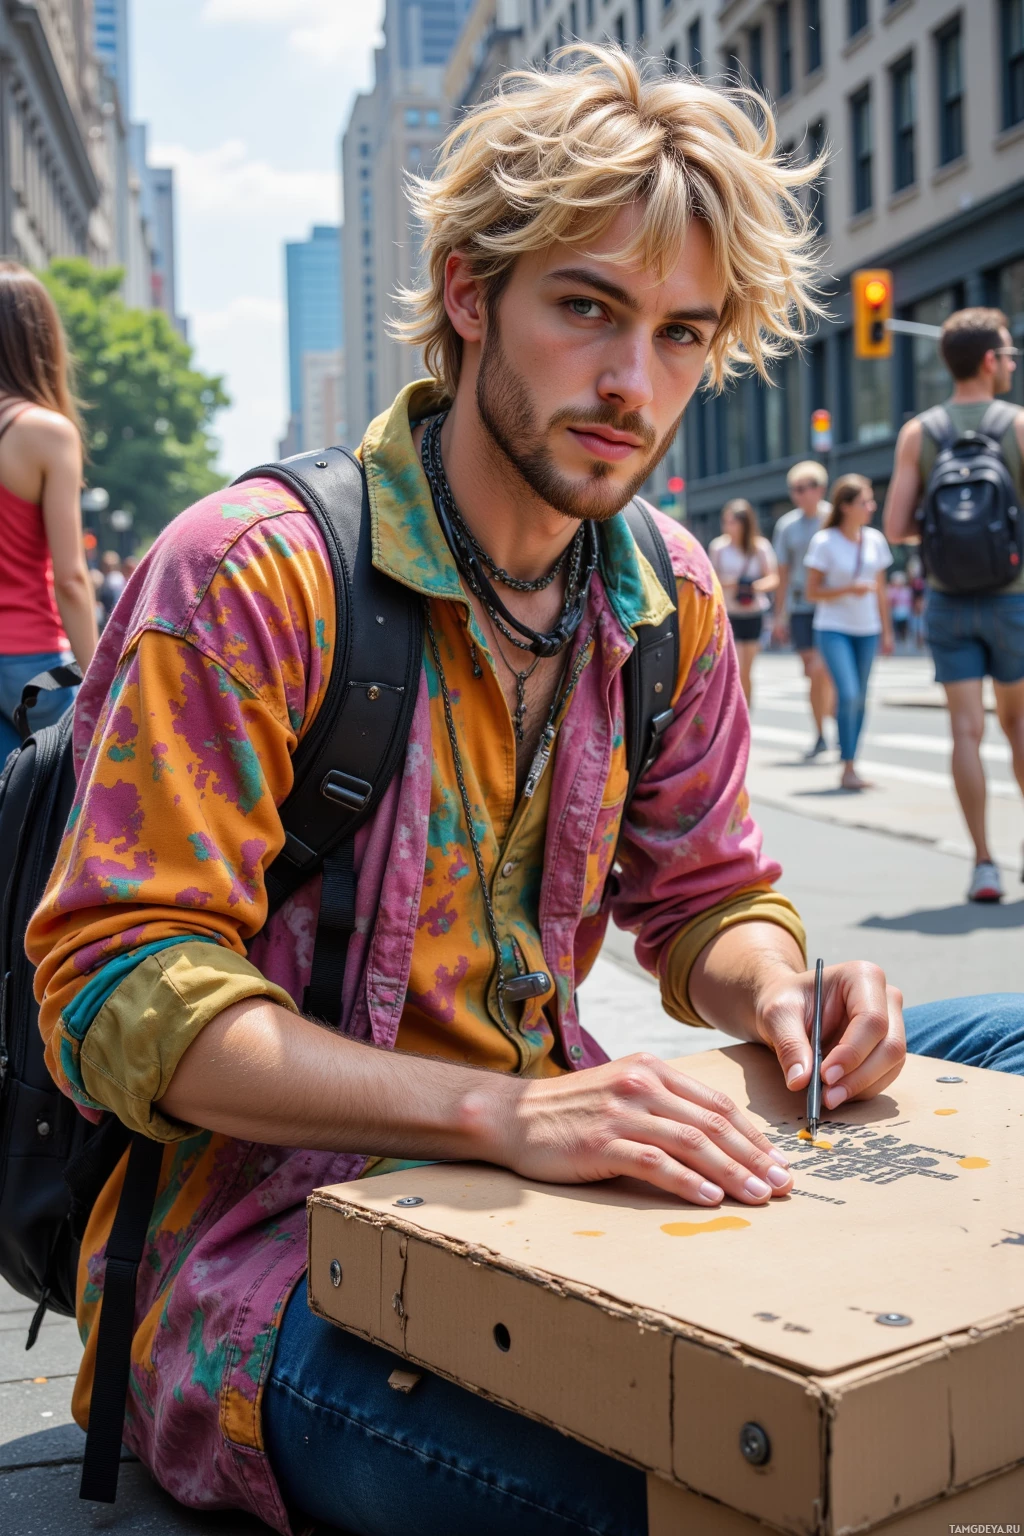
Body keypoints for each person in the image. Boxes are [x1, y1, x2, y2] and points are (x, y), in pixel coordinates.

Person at [25, 48, 1001, 1536]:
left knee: (993, 1028)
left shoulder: (664, 593)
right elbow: (122, 992)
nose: (633, 384)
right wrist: (507, 1115)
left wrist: (786, 990)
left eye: (682, 335)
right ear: (472, 291)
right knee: (700, 1487)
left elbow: (709, 897)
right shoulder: (253, 572)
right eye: (588, 309)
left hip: (563, 1166)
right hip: (263, 1265)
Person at [883, 307, 1024, 904]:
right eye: (1010, 353)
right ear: (990, 361)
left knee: (965, 731)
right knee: (1018, 729)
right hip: (1013, 601)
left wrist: (948, 532)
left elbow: (895, 526)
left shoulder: (921, 431)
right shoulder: (1017, 425)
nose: (1013, 362)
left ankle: (984, 864)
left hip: (946, 602)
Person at [0, 261, 97, 758]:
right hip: (32, 663)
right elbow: (71, 580)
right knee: (62, 819)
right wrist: (102, 683)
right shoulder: (45, 432)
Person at [805, 474, 894, 792]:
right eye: (864, 501)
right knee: (850, 693)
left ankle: (851, 765)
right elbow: (811, 592)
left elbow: (880, 590)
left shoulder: (875, 540)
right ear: (845, 506)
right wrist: (847, 589)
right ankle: (846, 763)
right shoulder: (825, 542)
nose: (871, 507)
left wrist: (887, 630)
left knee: (860, 698)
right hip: (834, 628)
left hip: (867, 629)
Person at [772, 459, 835, 756]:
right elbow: (782, 574)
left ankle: (831, 713)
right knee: (813, 671)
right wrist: (778, 616)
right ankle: (821, 732)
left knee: (826, 671)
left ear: (819, 488)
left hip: (832, 605)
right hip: (800, 606)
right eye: (794, 489)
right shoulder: (787, 526)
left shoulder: (835, 518)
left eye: (804, 488)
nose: (799, 494)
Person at [708, 497, 778, 706]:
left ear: (744, 524)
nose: (727, 526)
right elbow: (712, 579)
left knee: (747, 670)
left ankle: (745, 713)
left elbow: (773, 578)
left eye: (732, 521)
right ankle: (733, 710)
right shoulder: (719, 547)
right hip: (730, 613)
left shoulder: (760, 547)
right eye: (726, 521)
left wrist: (752, 586)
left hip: (754, 613)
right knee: (734, 667)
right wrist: (733, 584)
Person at [888, 571, 912, 648]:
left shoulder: (906, 590)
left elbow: (909, 602)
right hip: (895, 613)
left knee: (904, 629)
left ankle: (904, 641)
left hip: (905, 613)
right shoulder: (892, 590)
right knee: (895, 629)